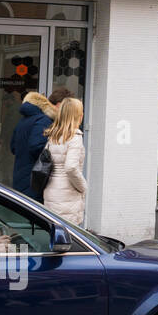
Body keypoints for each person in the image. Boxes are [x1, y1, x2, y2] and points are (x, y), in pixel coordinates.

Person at [42, 97, 87, 226]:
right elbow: (71, 167)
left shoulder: (54, 135)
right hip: (67, 195)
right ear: (77, 115)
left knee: (54, 233)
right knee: (68, 237)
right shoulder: (75, 137)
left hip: (51, 190)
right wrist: (83, 186)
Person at [9, 91, 57, 198]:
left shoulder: (22, 121)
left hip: (19, 173)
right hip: (34, 177)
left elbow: (13, 147)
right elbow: (36, 146)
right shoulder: (43, 120)